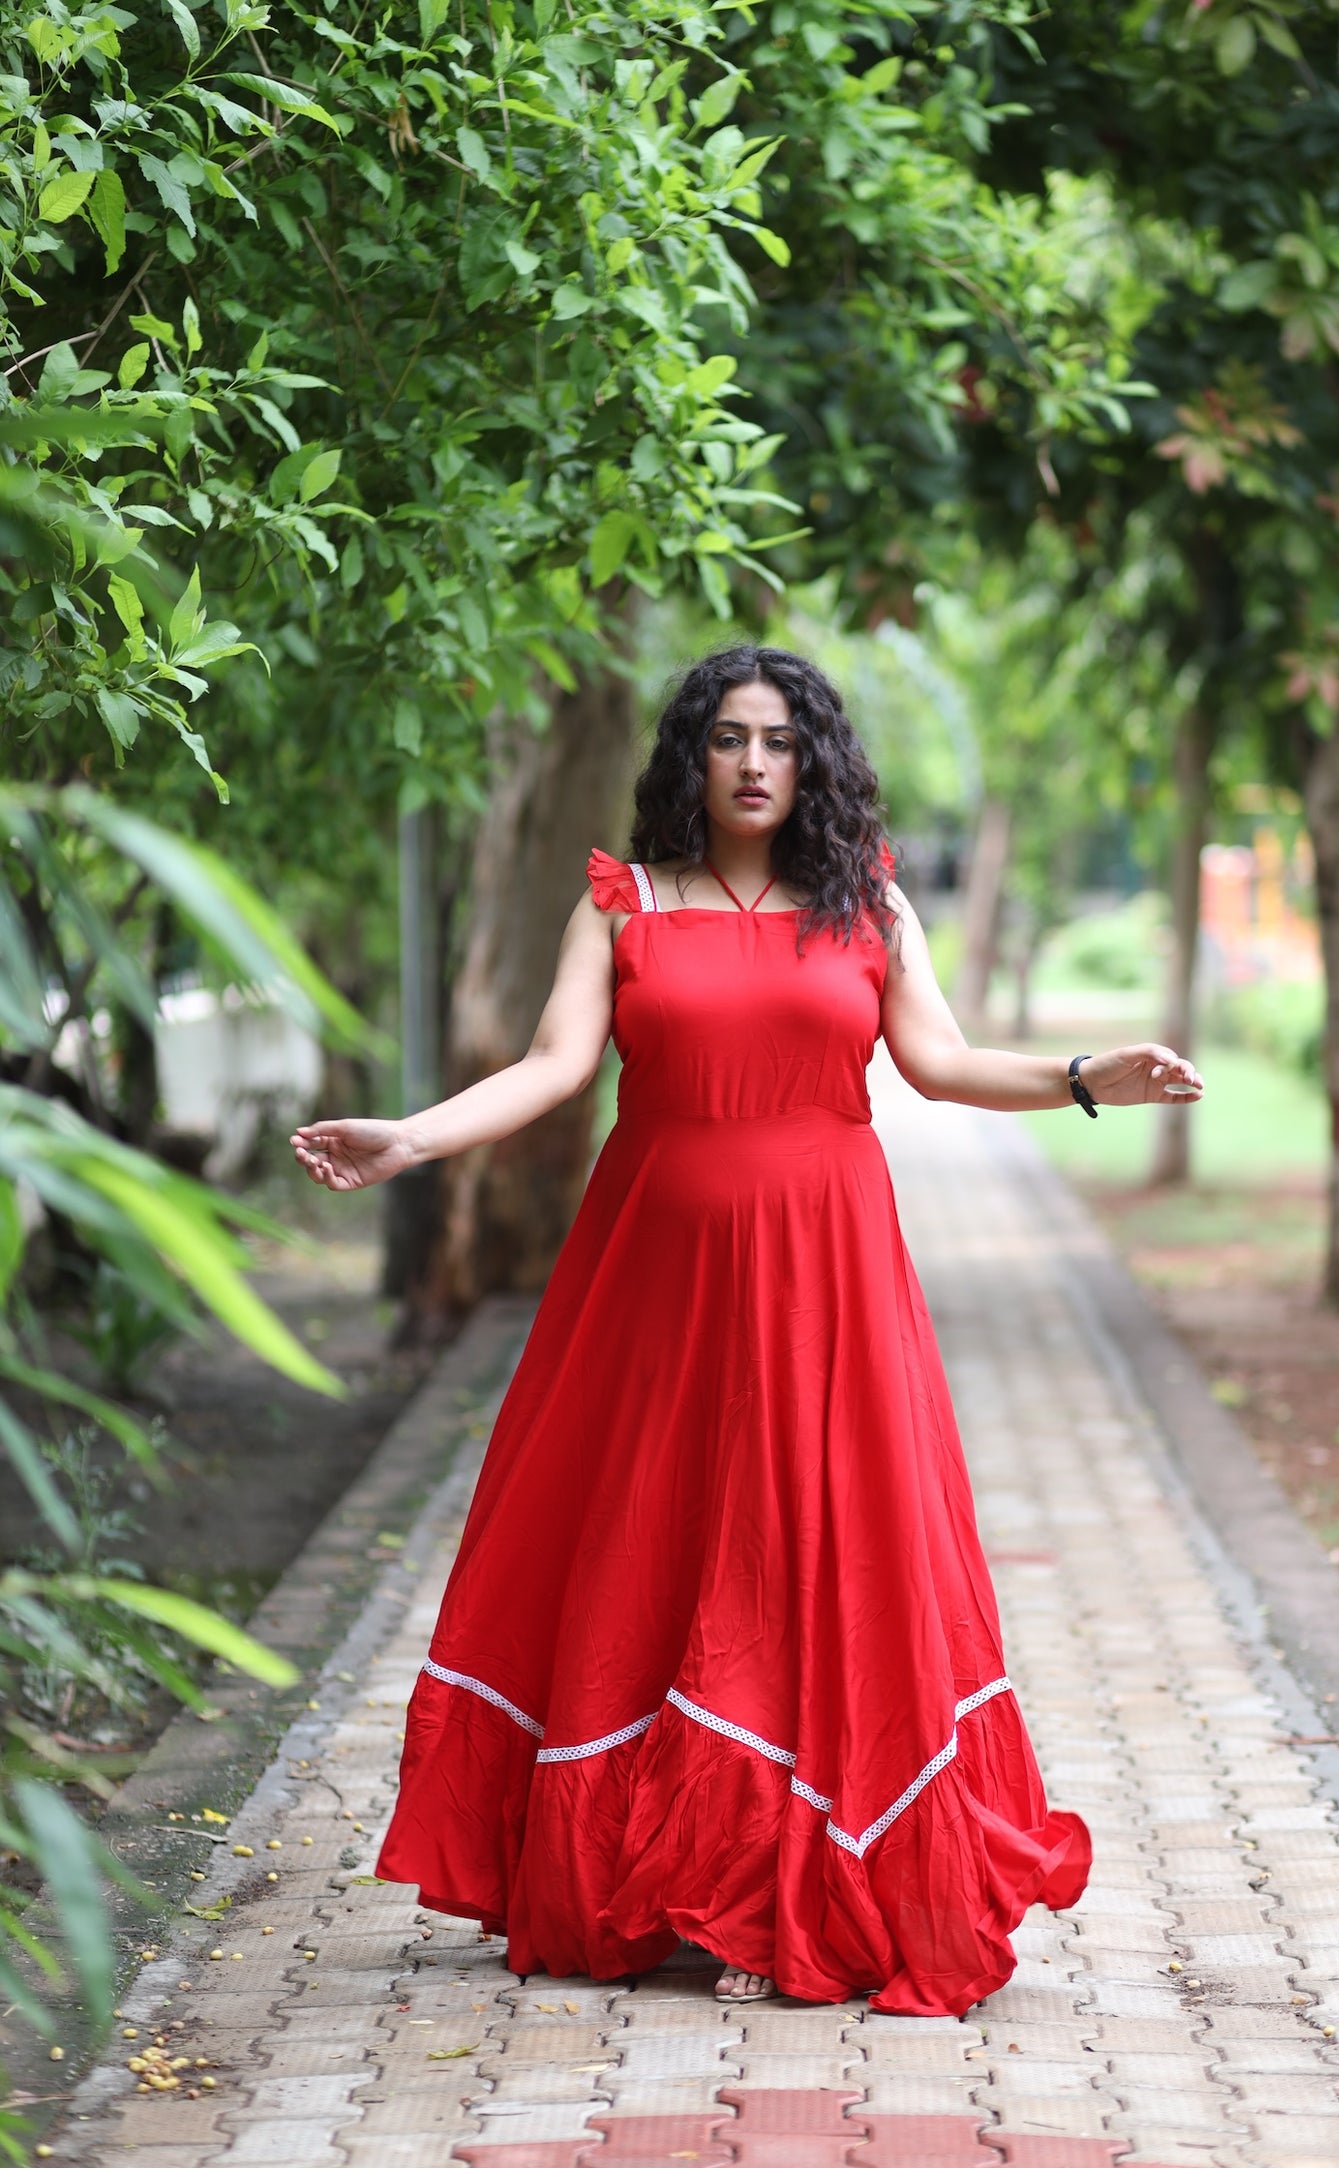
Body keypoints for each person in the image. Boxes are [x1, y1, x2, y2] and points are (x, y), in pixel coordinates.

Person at [291, 646, 1203, 2014]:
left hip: (827, 1275)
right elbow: (550, 1069)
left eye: (781, 739)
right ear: (692, 758)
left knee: (811, 1548)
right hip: (652, 1281)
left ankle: (784, 1872)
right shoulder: (622, 905)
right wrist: (407, 1142)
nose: (756, 762)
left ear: (815, 758)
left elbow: (941, 1067)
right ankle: (653, 1879)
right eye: (729, 738)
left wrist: (1087, 1077)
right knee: (652, 1546)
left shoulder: (868, 908)